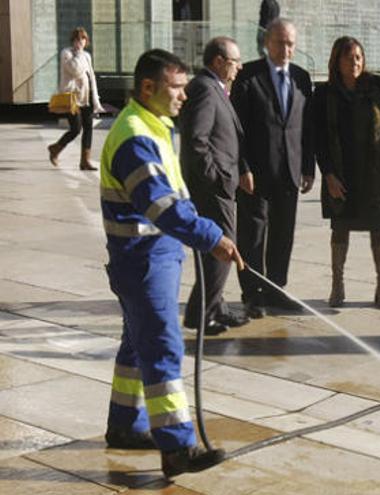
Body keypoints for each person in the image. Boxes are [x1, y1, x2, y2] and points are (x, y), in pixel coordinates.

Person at [100, 48, 243, 478]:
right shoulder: (135, 137)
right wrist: (212, 236)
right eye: (176, 88)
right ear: (148, 88)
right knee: (162, 346)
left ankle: (125, 424)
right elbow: (162, 206)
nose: (184, 95)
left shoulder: (152, 125)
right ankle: (178, 447)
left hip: (148, 257)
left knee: (136, 343)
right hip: (143, 260)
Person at [313, 36, 380, 309]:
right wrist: (328, 174)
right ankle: (337, 286)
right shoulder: (324, 93)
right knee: (340, 228)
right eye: (347, 57)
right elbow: (319, 138)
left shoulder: (377, 86)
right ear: (336, 61)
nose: (354, 62)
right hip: (341, 174)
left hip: (375, 174)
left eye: (358, 57)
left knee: (379, 229)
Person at [231, 18, 315, 318]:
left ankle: (277, 290)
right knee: (252, 236)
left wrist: (308, 168)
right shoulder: (247, 76)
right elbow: (236, 128)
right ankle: (252, 295)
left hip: (290, 172)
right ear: (267, 43)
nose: (286, 48)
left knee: (283, 234)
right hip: (255, 173)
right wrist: (242, 167)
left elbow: (307, 129)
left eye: (290, 43)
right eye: (280, 42)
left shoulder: (303, 78)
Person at [179, 37, 250, 335]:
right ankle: (202, 314)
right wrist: (218, 178)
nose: (239, 67)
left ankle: (215, 307)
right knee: (222, 250)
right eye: (234, 61)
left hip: (219, 182)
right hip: (212, 187)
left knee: (216, 252)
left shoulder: (214, 87)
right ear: (218, 61)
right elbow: (197, 140)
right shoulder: (205, 90)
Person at [48, 27, 105, 170]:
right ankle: (56, 148)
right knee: (75, 129)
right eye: (77, 39)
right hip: (72, 99)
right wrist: (79, 54)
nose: (80, 42)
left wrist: (95, 98)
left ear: (87, 41)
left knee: (88, 129)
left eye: (83, 39)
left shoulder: (87, 56)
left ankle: (85, 161)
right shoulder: (66, 54)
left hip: (86, 97)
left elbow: (91, 77)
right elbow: (75, 70)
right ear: (73, 40)